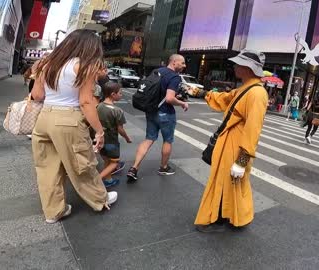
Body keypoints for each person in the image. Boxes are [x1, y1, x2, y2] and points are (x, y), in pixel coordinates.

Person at [31, 30, 118, 224]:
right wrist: (100, 131)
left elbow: (37, 95)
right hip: (68, 120)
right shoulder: (84, 66)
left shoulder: (47, 63)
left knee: (46, 167)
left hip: (44, 118)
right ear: (89, 47)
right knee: (82, 164)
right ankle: (99, 199)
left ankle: (54, 212)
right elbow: (86, 102)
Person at [195, 50, 268, 232]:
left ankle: (217, 219)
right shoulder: (245, 88)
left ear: (248, 68)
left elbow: (253, 130)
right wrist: (202, 92)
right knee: (229, 182)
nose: (234, 67)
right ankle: (232, 217)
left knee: (225, 182)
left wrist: (242, 161)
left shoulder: (257, 93)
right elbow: (224, 99)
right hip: (229, 142)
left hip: (237, 146)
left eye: (238, 64)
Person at [126, 54, 189, 182]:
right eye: (182, 63)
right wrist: (182, 103)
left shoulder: (156, 71)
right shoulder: (174, 77)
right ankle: (163, 168)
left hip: (151, 111)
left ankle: (134, 168)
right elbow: (170, 98)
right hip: (165, 113)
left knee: (149, 139)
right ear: (174, 62)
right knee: (168, 140)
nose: (184, 65)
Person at [97, 82, 132, 188]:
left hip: (100, 139)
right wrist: (127, 138)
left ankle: (108, 180)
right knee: (114, 163)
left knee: (107, 160)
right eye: (120, 93)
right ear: (113, 94)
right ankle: (96, 180)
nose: (121, 95)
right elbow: (120, 129)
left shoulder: (99, 106)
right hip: (111, 140)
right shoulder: (117, 111)